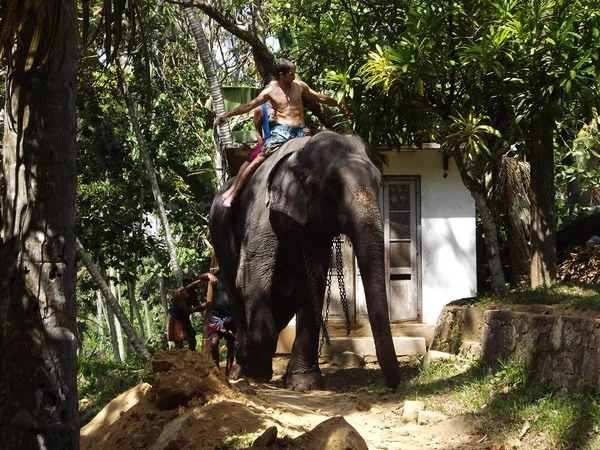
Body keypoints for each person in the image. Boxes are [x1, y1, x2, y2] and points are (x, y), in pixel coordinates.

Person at [214, 59, 349, 207]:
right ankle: (234, 193)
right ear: (281, 75)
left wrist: (338, 103)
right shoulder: (270, 91)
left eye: (294, 73)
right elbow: (249, 105)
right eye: (291, 74)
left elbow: (319, 97)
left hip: (301, 132)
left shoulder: (300, 86)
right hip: (282, 132)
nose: (293, 76)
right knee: (258, 160)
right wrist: (226, 115)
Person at [221, 80, 278, 205]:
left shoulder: (284, 106)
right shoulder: (261, 109)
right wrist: (261, 146)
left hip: (285, 138)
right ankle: (234, 188)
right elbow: (258, 131)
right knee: (249, 162)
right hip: (269, 141)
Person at [167, 272, 218, 351]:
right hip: (176, 320)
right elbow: (186, 311)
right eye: (194, 281)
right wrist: (202, 306)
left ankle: (191, 359)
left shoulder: (193, 293)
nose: (197, 284)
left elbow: (197, 306)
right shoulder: (179, 293)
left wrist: (206, 305)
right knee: (178, 344)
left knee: (192, 340)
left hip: (185, 320)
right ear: (188, 283)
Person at [204, 267, 236, 376]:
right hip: (217, 316)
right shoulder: (216, 278)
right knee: (214, 343)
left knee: (231, 345)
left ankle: (227, 374)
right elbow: (198, 277)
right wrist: (209, 274)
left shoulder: (235, 278)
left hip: (231, 317)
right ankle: (217, 371)